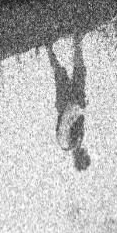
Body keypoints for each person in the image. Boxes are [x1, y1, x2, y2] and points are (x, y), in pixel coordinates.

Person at [47, 34, 91, 171]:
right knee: (78, 71)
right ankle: (76, 39)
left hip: (68, 103)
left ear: (79, 157)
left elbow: (65, 122)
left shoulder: (68, 142)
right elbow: (75, 120)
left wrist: (78, 107)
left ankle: (49, 46)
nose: (85, 151)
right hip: (73, 102)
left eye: (84, 155)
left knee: (62, 73)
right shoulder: (75, 141)